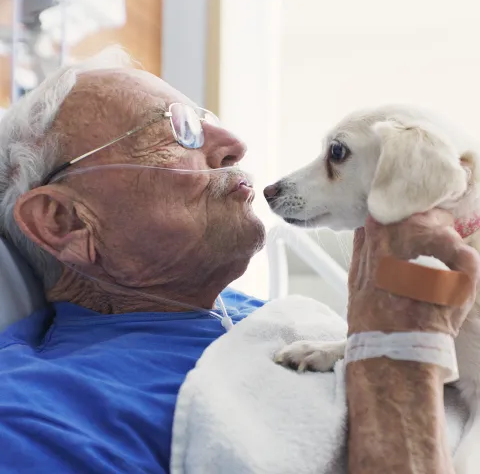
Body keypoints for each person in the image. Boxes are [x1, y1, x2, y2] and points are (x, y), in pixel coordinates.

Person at [0, 47, 477, 473]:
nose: (234, 143)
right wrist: (398, 356)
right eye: (178, 128)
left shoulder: (269, 318)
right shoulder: (41, 421)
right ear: (63, 221)